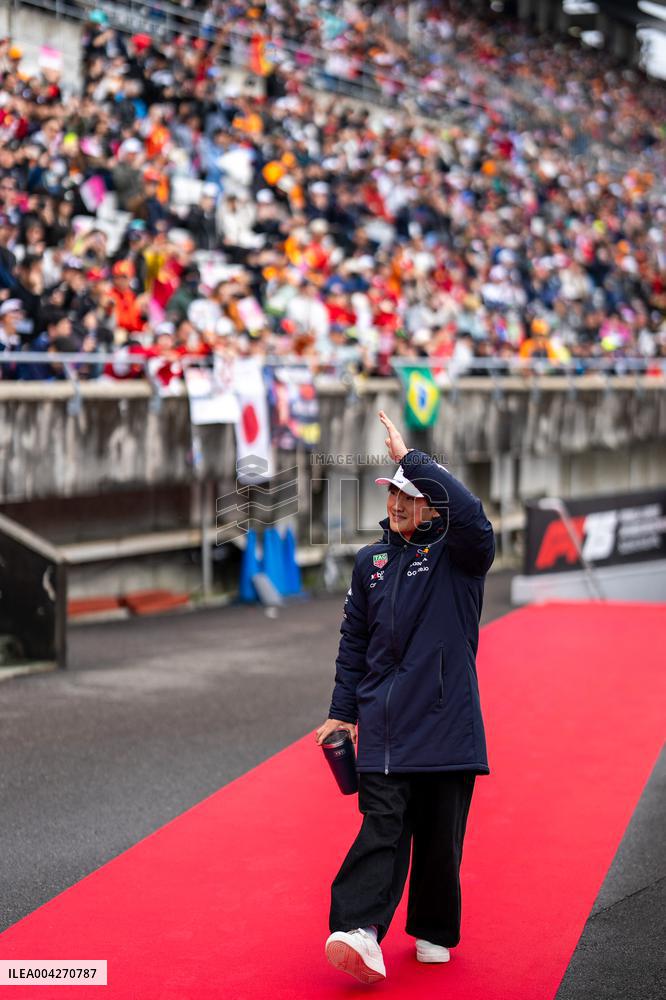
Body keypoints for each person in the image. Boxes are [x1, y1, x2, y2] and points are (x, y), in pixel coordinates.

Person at [316, 410, 495, 984]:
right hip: (385, 723)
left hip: (446, 722)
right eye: (393, 493)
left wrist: (410, 458)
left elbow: (472, 516)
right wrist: (342, 712)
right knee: (382, 827)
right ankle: (358, 930)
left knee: (440, 839)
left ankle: (435, 930)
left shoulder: (462, 556)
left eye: (409, 496)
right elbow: (354, 643)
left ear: (431, 507)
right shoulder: (370, 563)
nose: (396, 503)